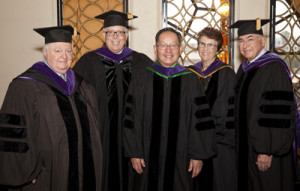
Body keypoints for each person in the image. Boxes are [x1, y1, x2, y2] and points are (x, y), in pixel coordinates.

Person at [0, 25, 102, 191]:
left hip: (84, 171)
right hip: (46, 174)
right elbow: (14, 136)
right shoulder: (23, 87)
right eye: (57, 51)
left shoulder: (83, 85)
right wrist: (26, 172)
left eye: (68, 51)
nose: (64, 56)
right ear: (45, 52)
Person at [123, 27, 217, 191]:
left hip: (181, 156)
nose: (168, 50)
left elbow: (200, 120)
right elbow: (131, 117)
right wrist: (134, 151)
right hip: (146, 154)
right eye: (163, 45)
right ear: (155, 49)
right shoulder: (141, 78)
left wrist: (197, 155)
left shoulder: (190, 80)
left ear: (180, 49)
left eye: (173, 45)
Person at [72, 10, 153, 191]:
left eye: (120, 32)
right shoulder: (88, 61)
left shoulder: (141, 61)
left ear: (127, 35)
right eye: (111, 32)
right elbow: (73, 96)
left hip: (133, 134)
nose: (115, 36)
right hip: (101, 132)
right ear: (103, 34)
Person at [230, 18, 298, 191]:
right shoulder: (244, 68)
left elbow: (276, 113)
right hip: (248, 147)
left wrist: (267, 150)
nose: (245, 45)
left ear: (263, 41)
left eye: (250, 39)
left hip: (266, 151)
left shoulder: (273, 67)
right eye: (241, 40)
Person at [188, 27, 235, 191]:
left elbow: (225, 114)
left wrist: (206, 141)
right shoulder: (189, 73)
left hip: (218, 145)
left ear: (218, 49)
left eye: (211, 45)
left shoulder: (226, 74)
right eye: (202, 44)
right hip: (191, 144)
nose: (205, 48)